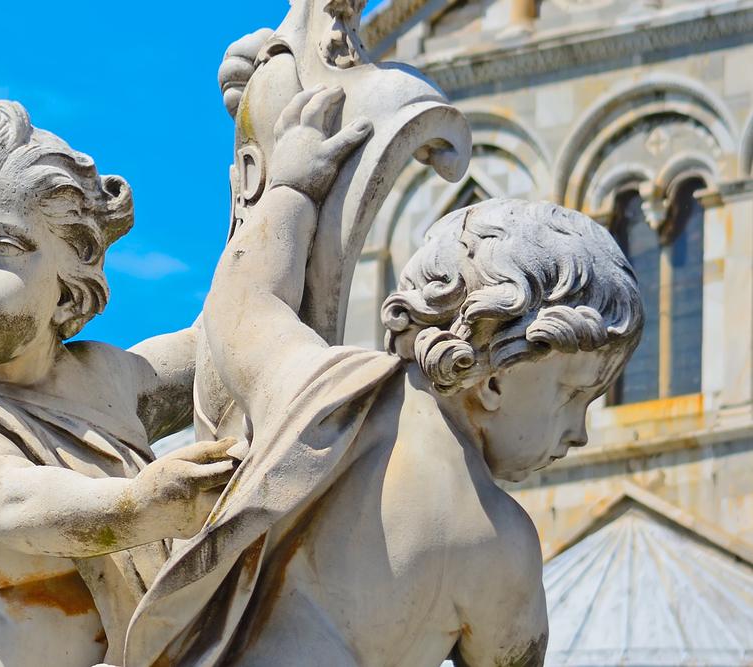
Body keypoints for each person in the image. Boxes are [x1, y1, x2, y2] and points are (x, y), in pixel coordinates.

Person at [123, 87, 642, 666]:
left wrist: (291, 190)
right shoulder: (498, 541)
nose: (580, 434)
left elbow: (243, 304)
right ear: (494, 381)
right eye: (575, 397)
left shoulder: (326, 398)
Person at [0, 100, 237, 667]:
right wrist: (137, 504)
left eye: (3, 246)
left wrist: (272, 193)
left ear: (70, 287)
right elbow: (15, 500)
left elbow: (230, 335)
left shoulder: (107, 375)